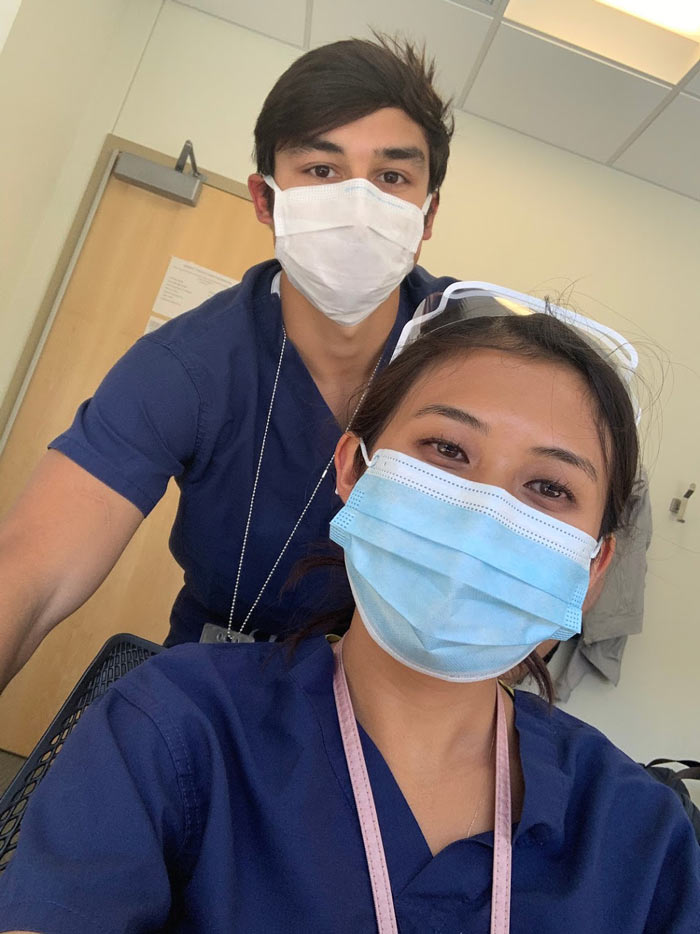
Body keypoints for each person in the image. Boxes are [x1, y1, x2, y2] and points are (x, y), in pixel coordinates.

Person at [2, 291, 698, 932]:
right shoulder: (174, 727)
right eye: (448, 450)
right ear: (352, 470)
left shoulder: (642, 836)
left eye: (548, 486)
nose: (483, 512)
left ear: (594, 567)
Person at [0, 36, 456, 690]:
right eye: (322, 171)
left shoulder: (473, 365)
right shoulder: (187, 368)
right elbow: (31, 570)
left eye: (391, 177)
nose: (359, 207)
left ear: (427, 213)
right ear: (265, 200)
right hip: (211, 672)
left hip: (386, 695)